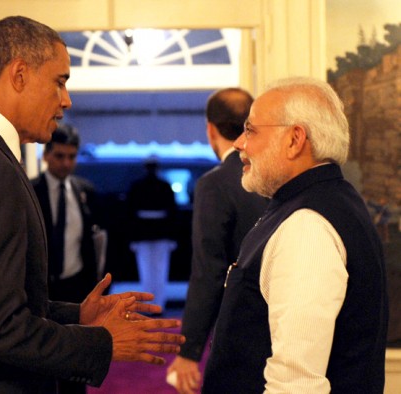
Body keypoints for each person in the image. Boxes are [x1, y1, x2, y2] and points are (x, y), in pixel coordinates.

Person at [0, 16, 185, 394]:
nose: (66, 100)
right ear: (19, 75)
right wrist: (103, 343)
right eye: (60, 81)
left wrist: (78, 315)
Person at [201, 77, 388, 393]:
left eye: (251, 130)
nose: (239, 144)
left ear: (294, 139)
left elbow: (296, 383)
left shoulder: (308, 226)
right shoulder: (324, 201)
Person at [167, 88, 267, 393]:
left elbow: (208, 271)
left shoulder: (215, 184)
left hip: (238, 331)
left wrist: (189, 350)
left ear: (210, 130)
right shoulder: (275, 175)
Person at [31, 125, 100, 394]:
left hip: (75, 289)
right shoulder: (30, 190)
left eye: (71, 157)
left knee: (75, 367)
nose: (66, 163)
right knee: (42, 362)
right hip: (42, 288)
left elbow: (93, 243)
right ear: (46, 156)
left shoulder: (85, 191)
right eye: (60, 156)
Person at [127, 158, 178, 310]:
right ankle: (156, 304)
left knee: (148, 270)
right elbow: (173, 213)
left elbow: (130, 214)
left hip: (145, 232)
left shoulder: (138, 186)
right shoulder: (164, 186)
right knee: (158, 270)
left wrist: (133, 237)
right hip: (158, 231)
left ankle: (152, 304)